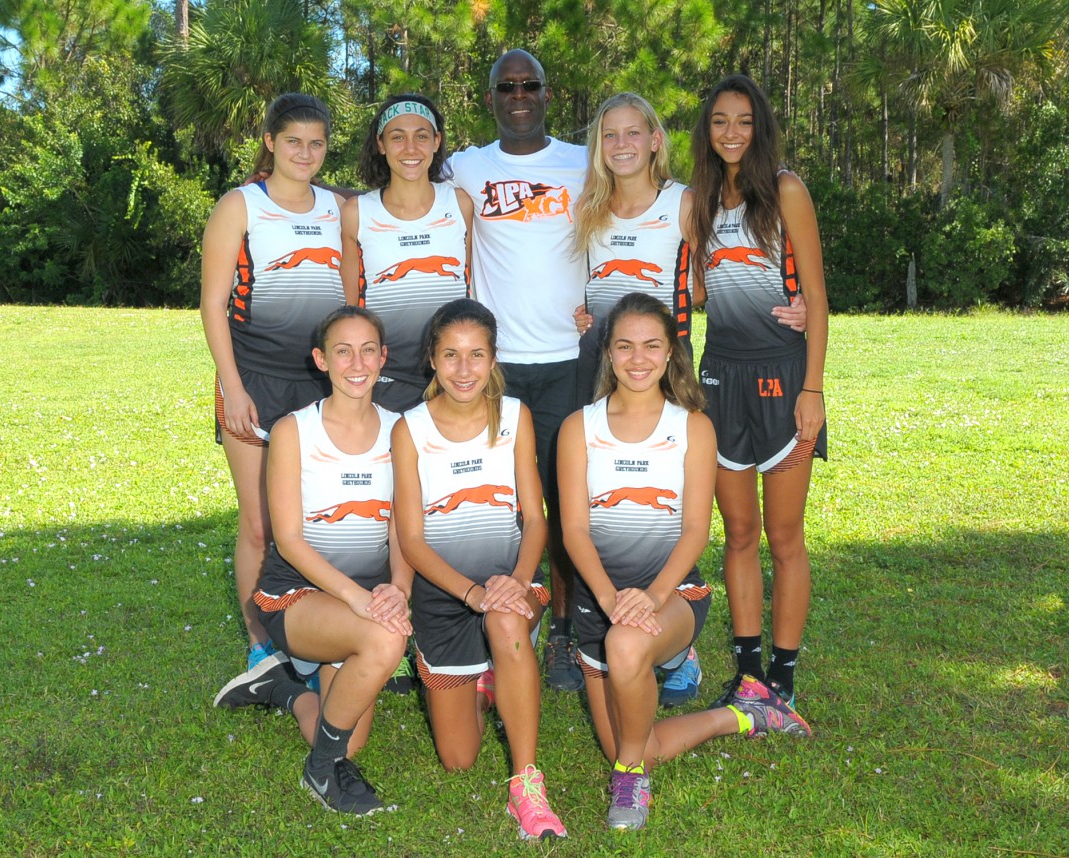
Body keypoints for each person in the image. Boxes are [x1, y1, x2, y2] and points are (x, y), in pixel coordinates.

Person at [570, 92, 808, 707]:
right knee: (612, 509)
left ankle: (698, 643)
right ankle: (604, 635)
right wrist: (587, 313)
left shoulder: (687, 202)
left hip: (676, 370)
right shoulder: (590, 209)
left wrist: (799, 306)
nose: (620, 144)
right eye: (609, 135)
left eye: (633, 133)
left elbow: (710, 280)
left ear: (655, 139)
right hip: (605, 370)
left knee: (700, 513)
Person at [391, 299, 567, 841]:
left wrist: (514, 583)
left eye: (476, 355)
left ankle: (526, 785)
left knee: (508, 623)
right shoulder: (409, 429)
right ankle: (487, 680)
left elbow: (535, 521)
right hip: (448, 595)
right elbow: (412, 540)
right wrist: (471, 594)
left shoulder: (515, 416)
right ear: (432, 360)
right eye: (451, 355)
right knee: (459, 760)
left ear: (493, 359)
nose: (463, 370)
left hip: (511, 583)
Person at [443, 49, 588, 691]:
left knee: (560, 504)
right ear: (491, 97)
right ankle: (495, 622)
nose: (520, 94)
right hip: (493, 371)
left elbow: (658, 206)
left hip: (567, 362)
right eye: (508, 86)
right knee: (495, 504)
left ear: (548, 94)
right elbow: (389, 189)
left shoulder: (584, 162)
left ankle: (561, 630)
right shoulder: (465, 167)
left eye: (531, 84)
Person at [688, 75, 828, 713]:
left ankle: (786, 674)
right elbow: (692, 294)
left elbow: (819, 303)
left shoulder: (787, 191)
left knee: (785, 535)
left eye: (743, 121)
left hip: (781, 378)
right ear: (706, 129)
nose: (732, 133)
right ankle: (749, 675)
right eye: (720, 121)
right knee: (738, 534)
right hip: (721, 377)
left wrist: (813, 389)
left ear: (760, 126)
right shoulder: (697, 202)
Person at [242, 305, 411, 816]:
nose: (356, 363)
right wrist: (361, 601)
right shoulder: (293, 429)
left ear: (383, 358)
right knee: (386, 639)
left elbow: (402, 525)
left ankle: (285, 691)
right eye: (342, 351)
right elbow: (289, 540)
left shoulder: (401, 428)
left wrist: (398, 587)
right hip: (297, 594)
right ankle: (321, 773)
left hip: (363, 600)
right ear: (321, 360)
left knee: (347, 737)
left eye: (367, 350)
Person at [200, 93, 346, 672]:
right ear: (269, 142)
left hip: (318, 386)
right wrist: (232, 388)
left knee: (316, 518)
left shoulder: (339, 208)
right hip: (253, 380)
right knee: (260, 522)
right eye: (293, 142)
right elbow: (212, 305)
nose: (305, 153)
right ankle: (261, 641)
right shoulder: (240, 205)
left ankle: (315, 633)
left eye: (316, 143)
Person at [341, 93, 472, 414]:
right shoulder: (357, 212)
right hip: (386, 375)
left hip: (453, 373)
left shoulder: (460, 204)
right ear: (381, 144)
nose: (411, 149)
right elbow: (350, 304)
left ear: (437, 142)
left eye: (422, 136)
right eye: (398, 137)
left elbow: (470, 284)